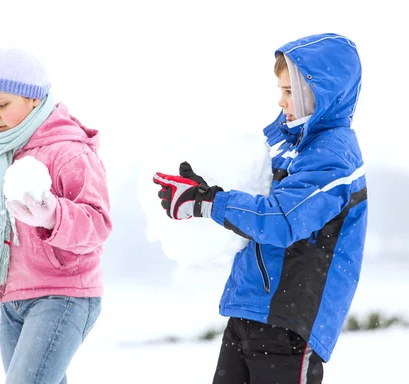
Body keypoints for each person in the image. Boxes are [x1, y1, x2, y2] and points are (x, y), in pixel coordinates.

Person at [152, 33, 367, 383]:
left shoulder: (333, 158)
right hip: (249, 310)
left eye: (289, 92)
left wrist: (208, 202)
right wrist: (203, 188)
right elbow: (252, 200)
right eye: (280, 90)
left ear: (321, 92)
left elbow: (282, 218)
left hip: (288, 322)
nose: (281, 102)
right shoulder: (288, 144)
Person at [0, 48, 112, 384]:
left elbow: (98, 224)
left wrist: (52, 215)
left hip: (62, 295)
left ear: (32, 99)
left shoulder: (69, 150)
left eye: (2, 105)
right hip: (14, 297)